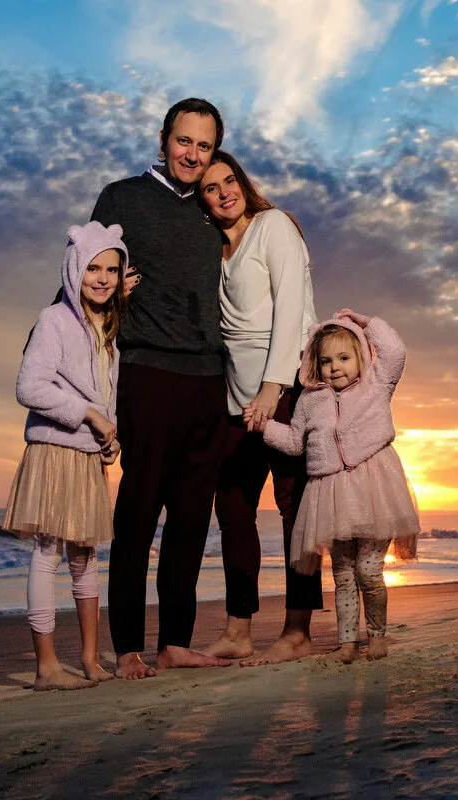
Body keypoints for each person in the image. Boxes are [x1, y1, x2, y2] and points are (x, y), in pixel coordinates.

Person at [91, 98, 233, 679]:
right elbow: (83, 271)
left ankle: (175, 642)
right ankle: (127, 648)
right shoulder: (121, 197)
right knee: (138, 514)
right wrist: (47, 339)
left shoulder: (215, 208)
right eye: (184, 142)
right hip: (148, 373)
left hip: (210, 380)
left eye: (204, 145)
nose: (192, 155)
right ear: (162, 138)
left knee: (192, 521)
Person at [194, 151, 322, 665]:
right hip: (234, 400)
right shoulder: (213, 249)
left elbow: (292, 308)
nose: (224, 191)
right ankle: (238, 629)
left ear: (242, 183)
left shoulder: (273, 226)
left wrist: (273, 388)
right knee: (232, 508)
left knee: (296, 509)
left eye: (230, 180)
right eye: (210, 187)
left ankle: (297, 630)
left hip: (286, 390)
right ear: (201, 200)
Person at [2, 221, 128, 690]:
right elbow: (28, 386)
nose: (102, 278)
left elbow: (106, 401)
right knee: (46, 553)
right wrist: (90, 416)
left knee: (86, 558)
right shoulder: (53, 319)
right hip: (54, 450)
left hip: (85, 456)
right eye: (93, 267)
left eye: (111, 269)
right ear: (74, 268)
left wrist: (108, 437)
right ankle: (47, 666)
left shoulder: (108, 333)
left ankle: (92, 660)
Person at [255, 310, 419, 662]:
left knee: (368, 570)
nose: (335, 367)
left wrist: (365, 322)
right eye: (326, 360)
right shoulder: (311, 400)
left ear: (360, 355)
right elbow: (295, 442)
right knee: (342, 574)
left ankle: (377, 634)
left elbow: (395, 351)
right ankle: (348, 643)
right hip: (330, 495)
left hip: (375, 491)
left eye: (344, 357)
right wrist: (264, 427)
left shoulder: (377, 384)